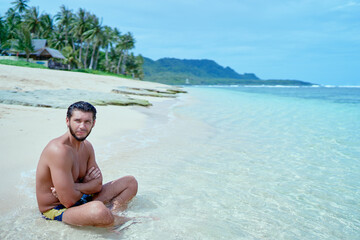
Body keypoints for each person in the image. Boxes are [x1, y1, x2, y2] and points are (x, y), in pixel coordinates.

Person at [36, 101, 138, 227]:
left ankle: (113, 214)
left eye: (87, 122)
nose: (82, 126)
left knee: (130, 182)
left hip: (81, 200)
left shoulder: (87, 146)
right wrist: (86, 186)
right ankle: (117, 220)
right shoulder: (59, 151)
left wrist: (75, 186)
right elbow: (68, 201)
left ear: (93, 123)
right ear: (68, 121)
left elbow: (98, 185)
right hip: (58, 209)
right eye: (77, 121)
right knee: (99, 210)